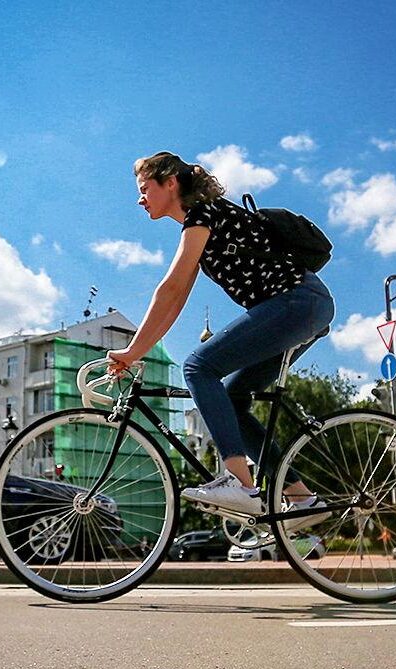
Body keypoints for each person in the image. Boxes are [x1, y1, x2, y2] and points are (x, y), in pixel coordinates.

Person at [107, 151, 334, 529]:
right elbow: (176, 299)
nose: (139, 198)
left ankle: (238, 483)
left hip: (298, 302)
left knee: (198, 367)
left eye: (145, 188)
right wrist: (137, 351)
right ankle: (301, 498)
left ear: (171, 183)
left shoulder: (204, 214)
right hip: (299, 307)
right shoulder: (203, 224)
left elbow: (170, 287)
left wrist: (134, 352)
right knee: (231, 398)